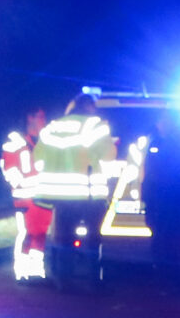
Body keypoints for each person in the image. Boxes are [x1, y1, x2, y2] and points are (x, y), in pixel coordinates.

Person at [27, 91, 121, 282]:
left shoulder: (52, 127)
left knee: (63, 237)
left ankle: (63, 279)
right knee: (93, 239)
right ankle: (94, 280)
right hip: (87, 193)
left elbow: (37, 158)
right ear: (90, 107)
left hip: (59, 195)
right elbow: (108, 156)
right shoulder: (95, 125)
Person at [0, 106, 53, 281]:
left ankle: (36, 271)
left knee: (40, 235)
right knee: (27, 235)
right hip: (24, 199)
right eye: (40, 117)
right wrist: (22, 184)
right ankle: (22, 271)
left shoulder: (45, 142)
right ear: (30, 118)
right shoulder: (15, 142)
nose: (43, 122)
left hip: (42, 199)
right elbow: (9, 169)